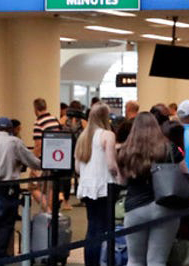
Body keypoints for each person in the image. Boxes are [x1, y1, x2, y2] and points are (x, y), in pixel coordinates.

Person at [118, 113, 187, 266]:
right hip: (165, 207)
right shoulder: (169, 148)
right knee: (157, 260)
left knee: (135, 260)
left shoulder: (125, 150)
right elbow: (186, 171)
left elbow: (122, 181)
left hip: (135, 208)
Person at [0, 117, 42, 261]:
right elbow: (32, 161)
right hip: (9, 188)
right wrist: (48, 164)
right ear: (10, 129)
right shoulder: (15, 142)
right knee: (5, 224)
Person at [75, 104, 118, 266]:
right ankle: (104, 261)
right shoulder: (108, 135)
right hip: (104, 187)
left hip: (87, 187)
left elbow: (77, 168)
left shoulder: (83, 136)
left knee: (92, 228)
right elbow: (111, 165)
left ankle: (90, 262)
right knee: (105, 228)